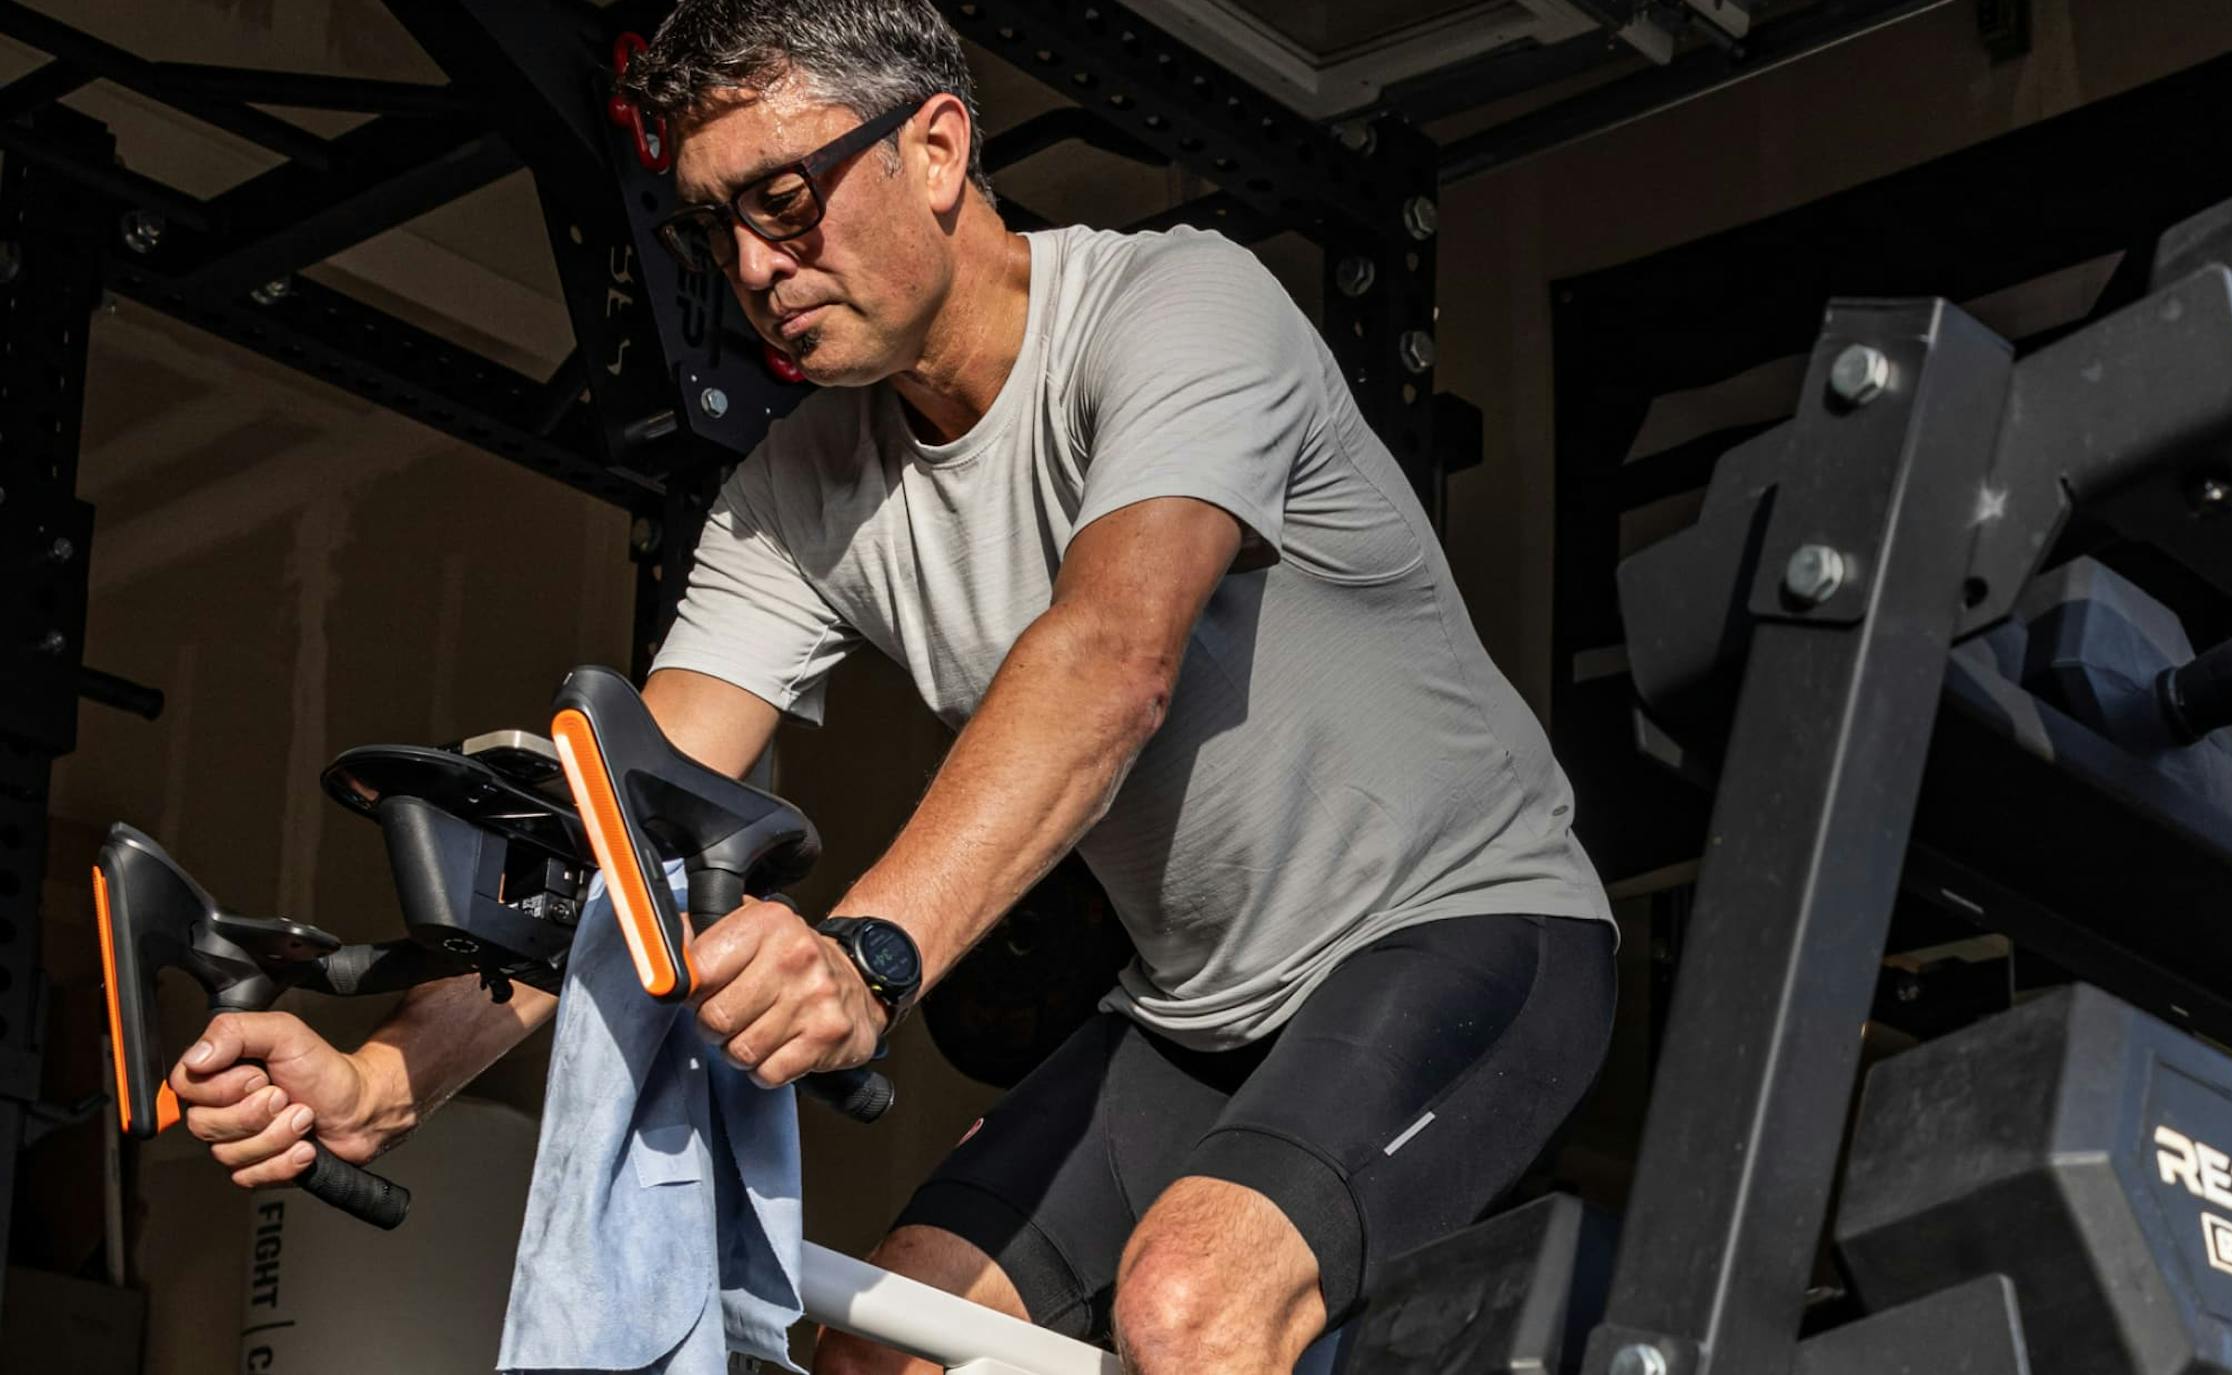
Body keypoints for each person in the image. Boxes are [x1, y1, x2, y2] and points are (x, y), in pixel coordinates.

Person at [160, 1, 1616, 1370]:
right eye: (716, 227)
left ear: (936, 148)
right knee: (874, 1345)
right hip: (1190, 1016)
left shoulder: (1178, 310)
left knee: (1192, 1299)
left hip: (1470, 932)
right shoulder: (793, 493)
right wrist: (387, 1079)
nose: (751, 271)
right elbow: (625, 839)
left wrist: (864, 955)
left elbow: (1113, 659)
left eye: (784, 202)